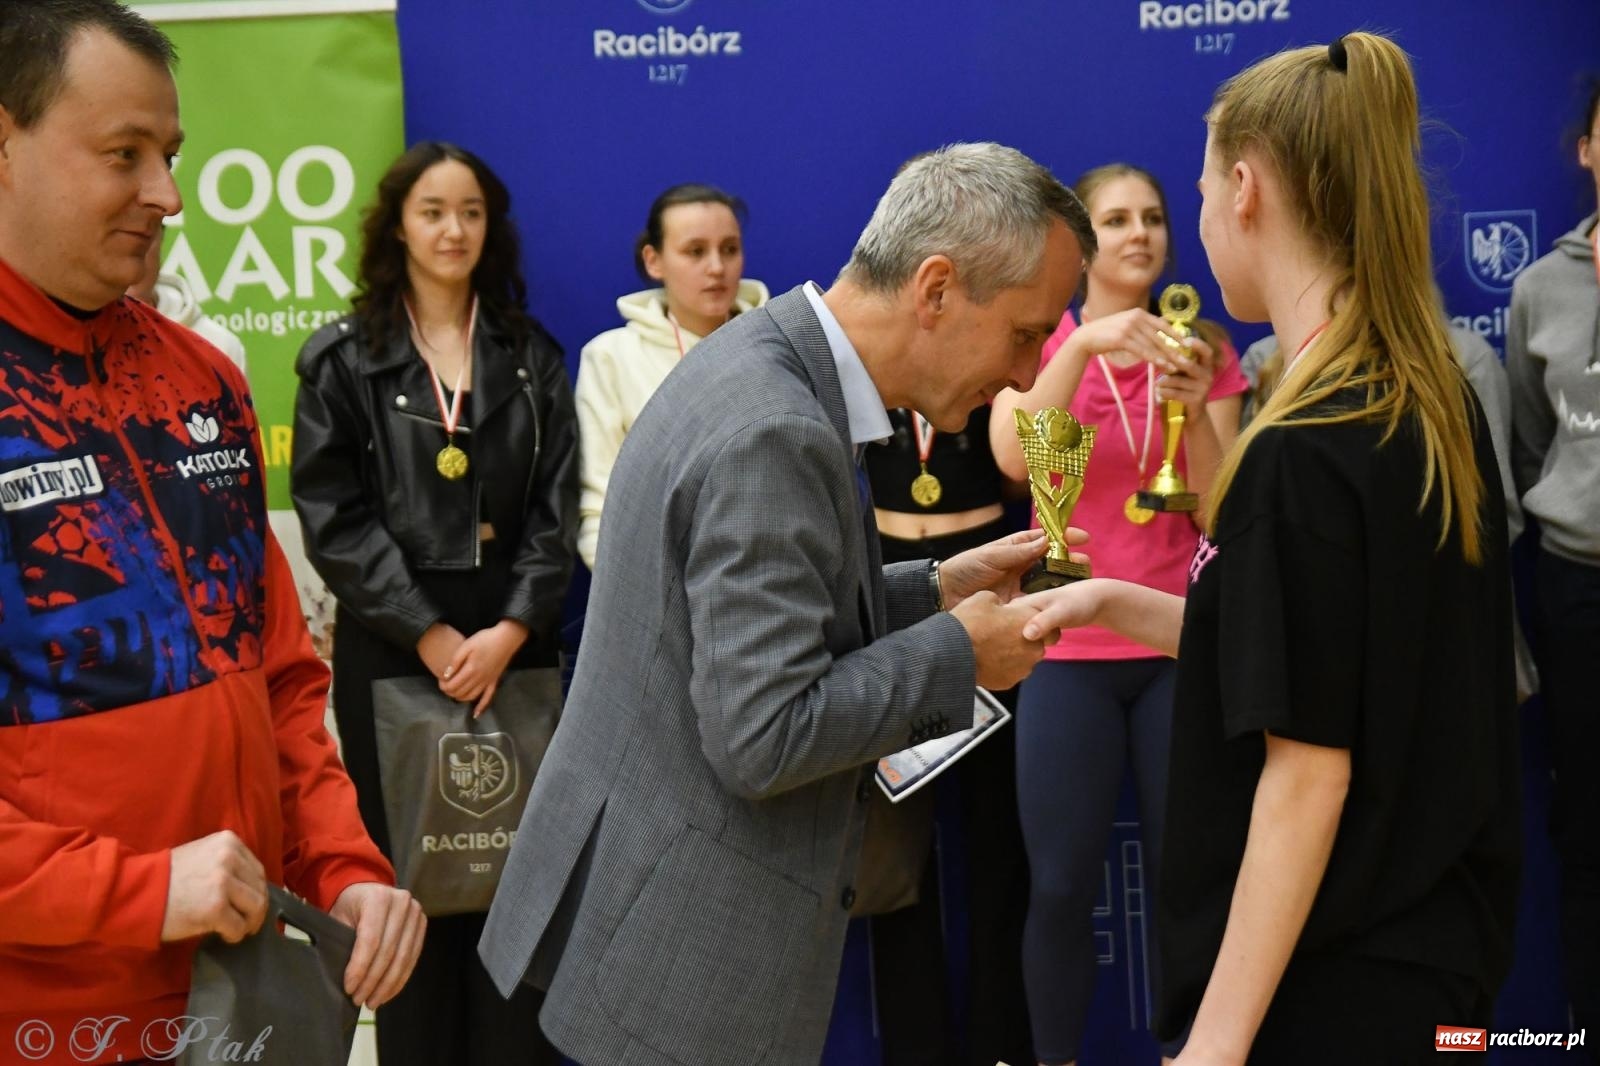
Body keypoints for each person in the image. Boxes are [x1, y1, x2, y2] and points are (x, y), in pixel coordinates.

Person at [480, 142, 1096, 1066]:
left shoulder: (763, 359)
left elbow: (733, 623)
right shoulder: (778, 424)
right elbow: (763, 733)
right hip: (683, 960)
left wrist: (935, 588)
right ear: (935, 289)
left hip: (653, 923)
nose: (1025, 373)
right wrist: (959, 654)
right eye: (1023, 333)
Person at [1021, 33, 1520, 1065]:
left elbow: (1307, 776)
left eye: (1197, 191)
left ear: (1243, 188)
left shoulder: (1299, 451)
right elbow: (1317, 658)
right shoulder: (1422, 398)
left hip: (1336, 982)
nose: (1194, 223)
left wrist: (1214, 1042)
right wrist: (1111, 599)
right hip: (1434, 958)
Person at [0, 2, 423, 1060]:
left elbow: (279, 675)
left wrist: (346, 867)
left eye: (171, 154)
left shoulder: (201, 379)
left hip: (246, 992)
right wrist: (139, 891)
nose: (169, 196)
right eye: (124, 154)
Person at [291, 141, 578, 1066]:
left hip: (514, 650)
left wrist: (508, 630)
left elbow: (557, 511)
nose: (453, 230)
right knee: (409, 889)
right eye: (432, 211)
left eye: (471, 212)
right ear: (398, 227)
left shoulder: (530, 355)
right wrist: (429, 632)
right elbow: (331, 520)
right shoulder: (344, 359)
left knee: (512, 889)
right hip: (394, 649)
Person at [990, 163, 1247, 1066]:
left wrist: (1199, 416)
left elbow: (1223, 510)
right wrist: (1084, 346)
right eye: (1116, 219)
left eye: (1154, 218)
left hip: (1181, 645)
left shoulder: (1203, 348)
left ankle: (1192, 1054)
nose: (1138, 234)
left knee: (1191, 878)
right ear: (1085, 240)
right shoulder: (1045, 341)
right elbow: (1015, 462)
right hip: (1066, 652)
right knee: (1060, 884)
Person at [863, 400, 1035, 1066]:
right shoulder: (863, 368)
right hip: (886, 581)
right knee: (897, 845)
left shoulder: (990, 360)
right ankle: (915, 1050)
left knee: (1000, 838)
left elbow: (1020, 476)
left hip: (990, 578)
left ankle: (1004, 1048)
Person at [1507, 78, 1600, 1061]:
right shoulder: (1542, 284)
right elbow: (1534, 449)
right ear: (1585, 150)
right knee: (1587, 828)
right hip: (1579, 587)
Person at [575, 183, 769, 568]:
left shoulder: (779, 347)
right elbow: (600, 510)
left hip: (765, 583)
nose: (716, 267)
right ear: (654, 260)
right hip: (653, 589)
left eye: (729, 249)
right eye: (695, 251)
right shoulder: (611, 357)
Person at [128, 226, 247, 374]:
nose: (127, 253)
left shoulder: (219, 346)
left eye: (139, 237)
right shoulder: (90, 339)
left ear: (160, 239)